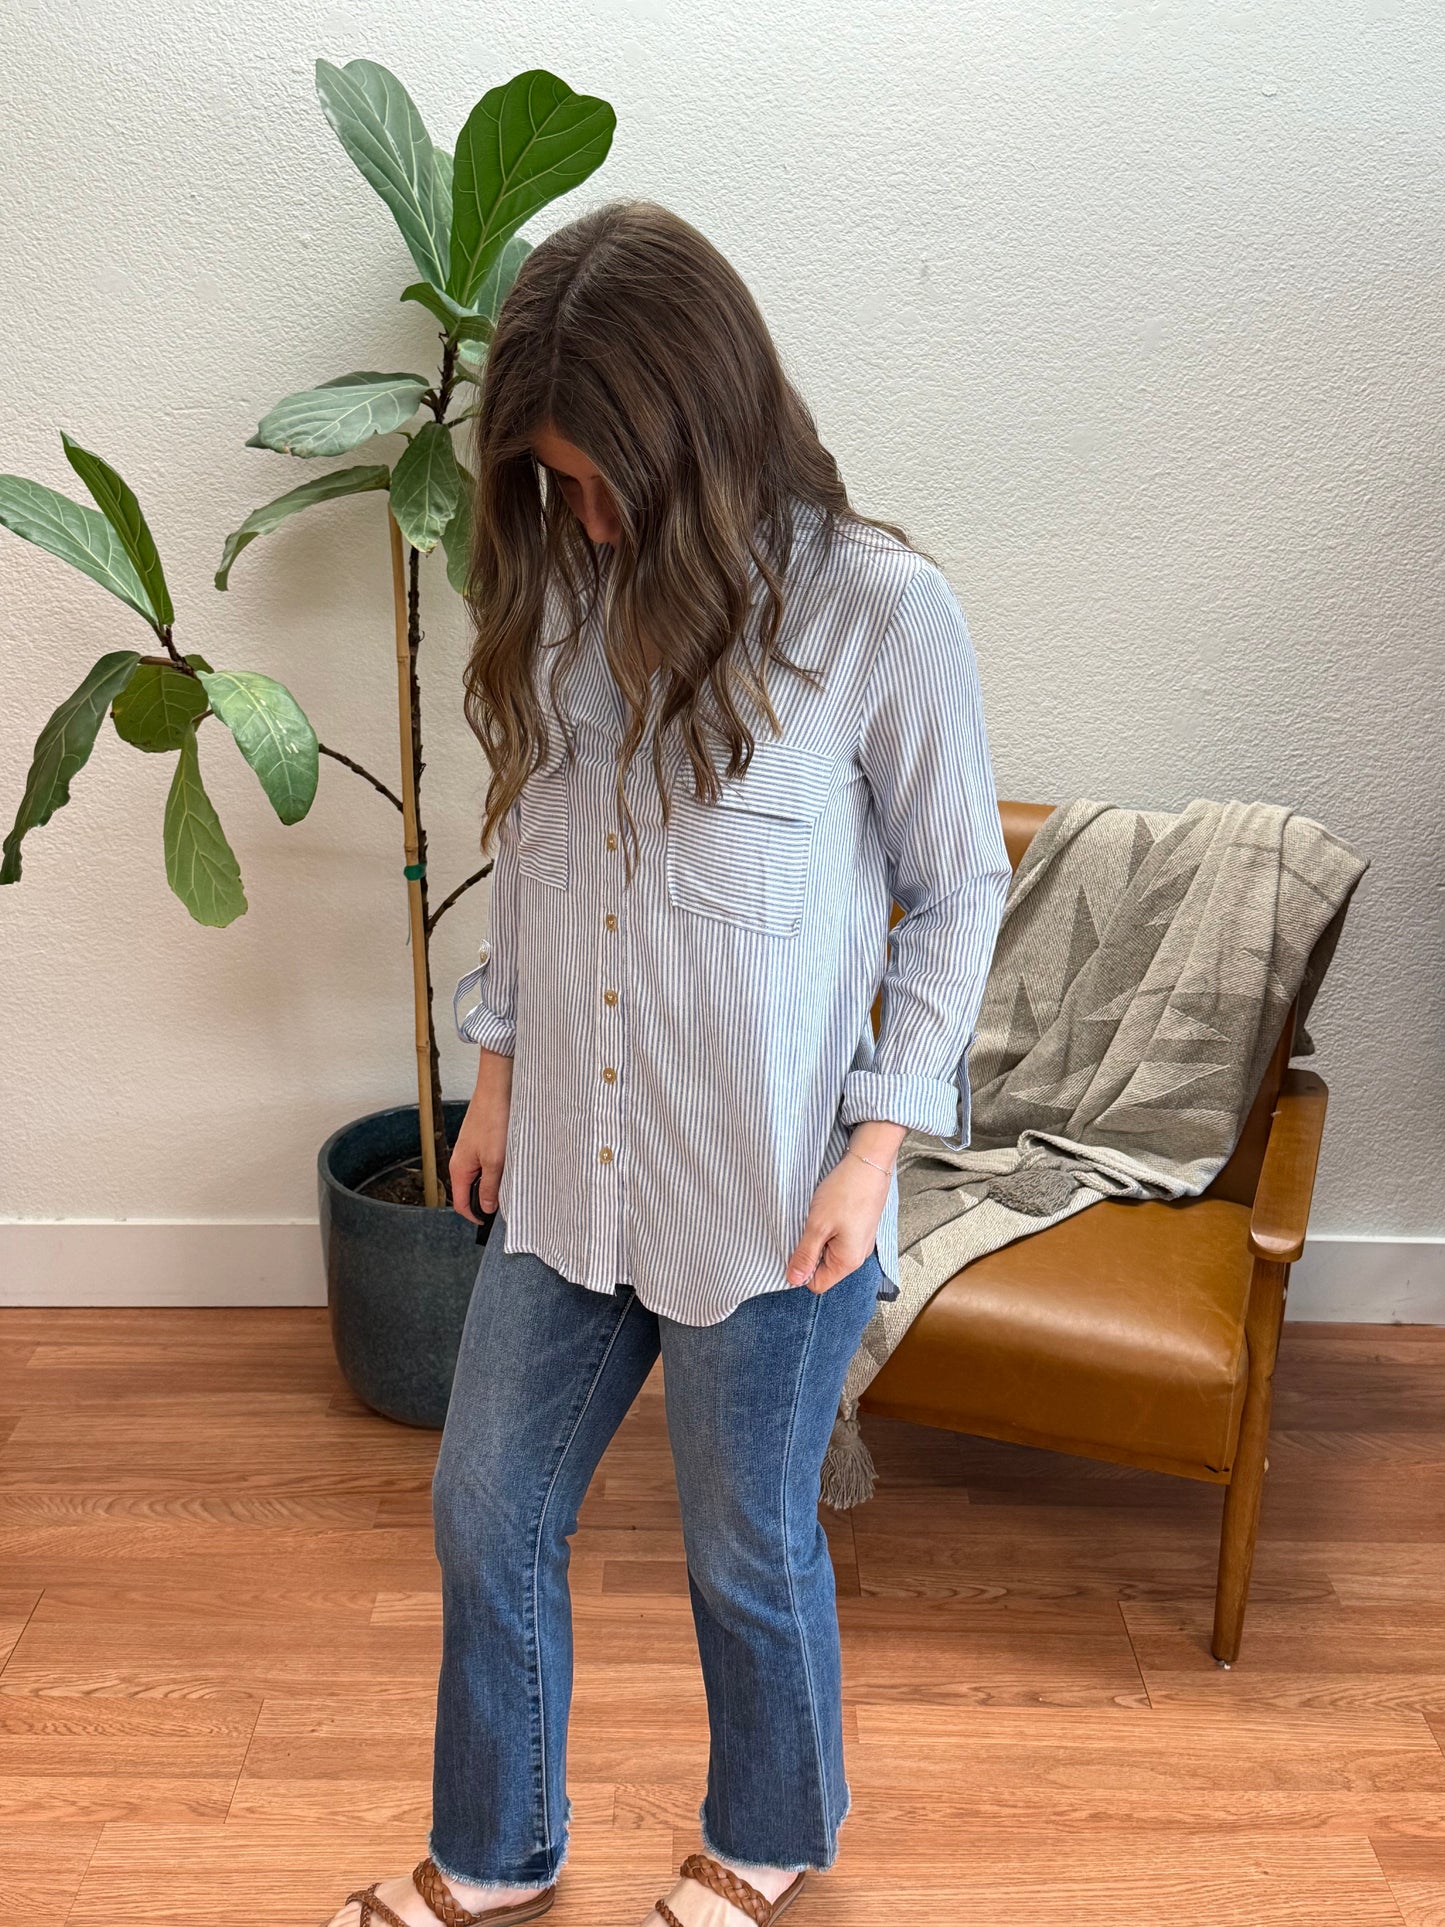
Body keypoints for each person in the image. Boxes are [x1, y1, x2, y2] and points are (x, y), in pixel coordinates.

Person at [327, 199, 1010, 1927]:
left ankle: (768, 1830)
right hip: (574, 1157)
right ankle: (496, 1849)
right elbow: (552, 851)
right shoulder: (560, 581)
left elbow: (959, 887)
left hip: (770, 1191)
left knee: (743, 1546)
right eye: (549, 481)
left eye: (599, 475)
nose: (582, 514)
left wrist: (875, 1148)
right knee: (486, 1510)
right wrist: (493, 1076)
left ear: (698, 426)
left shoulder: (878, 612)